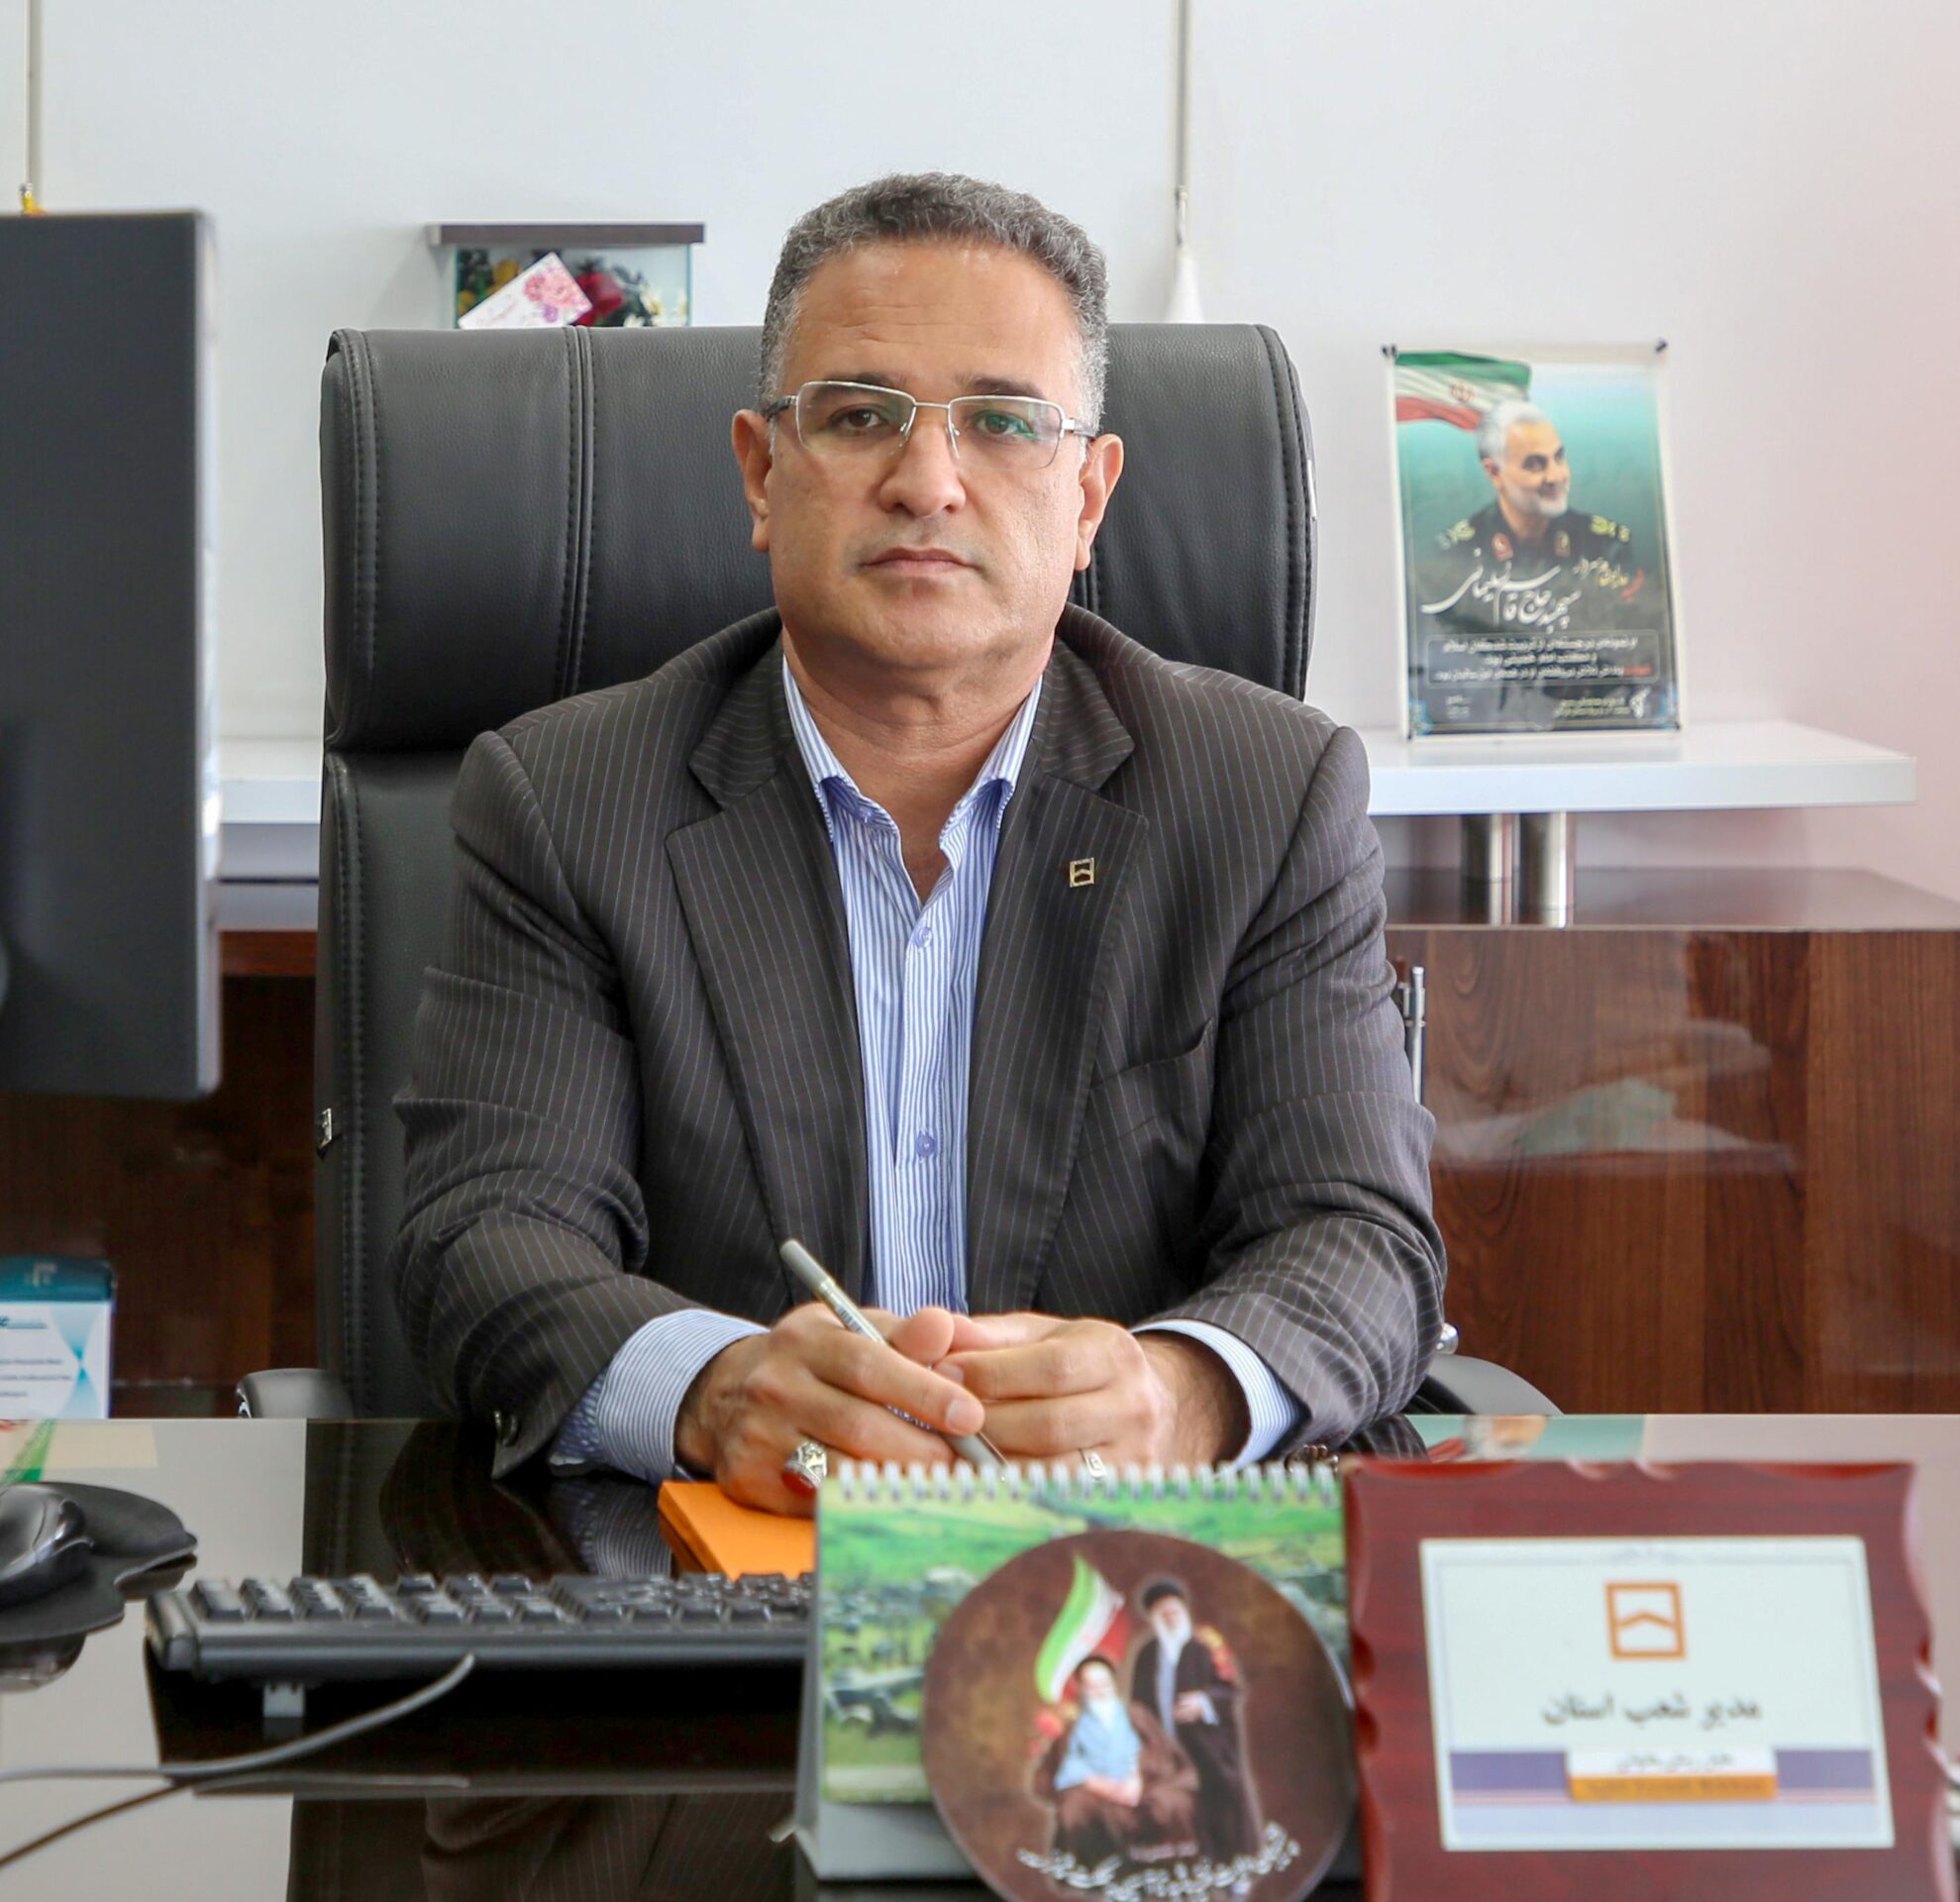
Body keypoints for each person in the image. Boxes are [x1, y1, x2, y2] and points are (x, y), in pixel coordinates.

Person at [391, 172, 1445, 1504]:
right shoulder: (569, 801)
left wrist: (1180, 1394)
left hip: (1125, 1564)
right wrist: (714, 1391)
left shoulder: (1266, 795)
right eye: (858, 415)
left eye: (1002, 422)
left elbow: (1358, 1237)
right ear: (761, 472)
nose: (927, 482)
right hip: (723, 1568)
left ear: (1089, 499)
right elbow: (485, 1237)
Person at [1416, 399, 1655, 642]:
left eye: (1559, 458)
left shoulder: (1606, 546)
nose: (1556, 476)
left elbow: (1630, 636)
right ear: (1495, 473)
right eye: (1534, 464)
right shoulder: (1455, 553)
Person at [1129, 1579, 1259, 1863]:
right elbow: (1137, 1703)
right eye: (1163, 1614)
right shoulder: (1146, 1654)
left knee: (1222, 1798)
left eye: (1175, 1611)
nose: (1171, 1618)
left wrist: (1205, 1701)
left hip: (1208, 1744)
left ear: (1185, 1612)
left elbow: (1231, 1688)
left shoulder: (1207, 1645)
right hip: (1165, 1749)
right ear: (1153, 1619)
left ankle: (1233, 1864)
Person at [1037, 1656, 1199, 1867]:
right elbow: (1061, 1770)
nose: (1100, 1691)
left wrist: (1137, 1777)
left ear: (1114, 1684)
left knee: (1173, 1803)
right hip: (1098, 1796)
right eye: (1092, 1686)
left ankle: (1173, 1871)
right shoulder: (1073, 1729)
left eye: (1105, 1684)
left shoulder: (1137, 1715)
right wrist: (1096, 1784)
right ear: (1082, 1689)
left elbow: (1164, 1757)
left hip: (1144, 1787)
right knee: (1074, 1810)